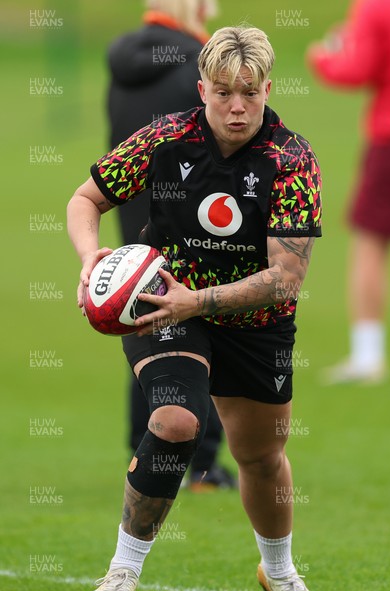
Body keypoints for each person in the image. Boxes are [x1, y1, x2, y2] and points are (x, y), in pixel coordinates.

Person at [67, 25, 322, 591]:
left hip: (257, 322)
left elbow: (286, 277)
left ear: (267, 89)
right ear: (201, 87)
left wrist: (199, 298)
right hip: (165, 307)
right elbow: (86, 198)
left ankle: (277, 569)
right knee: (177, 423)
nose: (237, 107)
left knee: (260, 457)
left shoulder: (290, 159)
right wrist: (91, 257)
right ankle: (122, 572)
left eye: (250, 93)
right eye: (224, 91)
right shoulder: (165, 137)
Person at [107, 0, 235, 490]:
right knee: (204, 327)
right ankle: (199, 462)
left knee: (140, 316)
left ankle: (146, 448)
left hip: (134, 211)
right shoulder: (199, 64)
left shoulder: (122, 62)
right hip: (194, 218)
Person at [307, 0, 390, 384]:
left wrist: (323, 56)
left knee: (370, 243)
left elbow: (356, 70)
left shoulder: (377, 6)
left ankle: (368, 356)